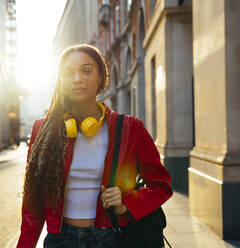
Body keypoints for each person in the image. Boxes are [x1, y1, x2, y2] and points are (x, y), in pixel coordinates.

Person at [16, 44, 173, 248]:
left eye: (87, 70)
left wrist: (127, 203)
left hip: (112, 238)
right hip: (60, 240)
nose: (77, 78)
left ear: (102, 77)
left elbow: (161, 185)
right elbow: (32, 203)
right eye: (68, 73)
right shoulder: (44, 129)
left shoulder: (129, 127)